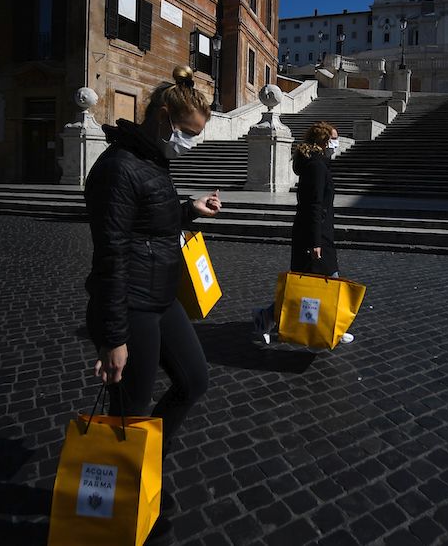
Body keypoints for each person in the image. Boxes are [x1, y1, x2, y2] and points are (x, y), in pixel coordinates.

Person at [83, 65, 221, 525]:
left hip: (163, 298)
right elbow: (111, 256)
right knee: (131, 411)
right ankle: (121, 505)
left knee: (194, 380)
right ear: (163, 117)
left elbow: (150, 221)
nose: (190, 143)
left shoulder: (154, 161)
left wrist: (189, 210)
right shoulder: (118, 168)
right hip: (133, 306)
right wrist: (112, 337)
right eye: (187, 132)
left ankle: (147, 466)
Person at [252, 121, 353, 344]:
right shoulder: (317, 167)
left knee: (313, 282)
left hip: (316, 231)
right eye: (334, 139)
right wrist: (315, 240)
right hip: (314, 234)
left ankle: (268, 317)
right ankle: (267, 318)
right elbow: (314, 204)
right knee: (319, 282)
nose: (336, 144)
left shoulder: (317, 164)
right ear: (325, 141)